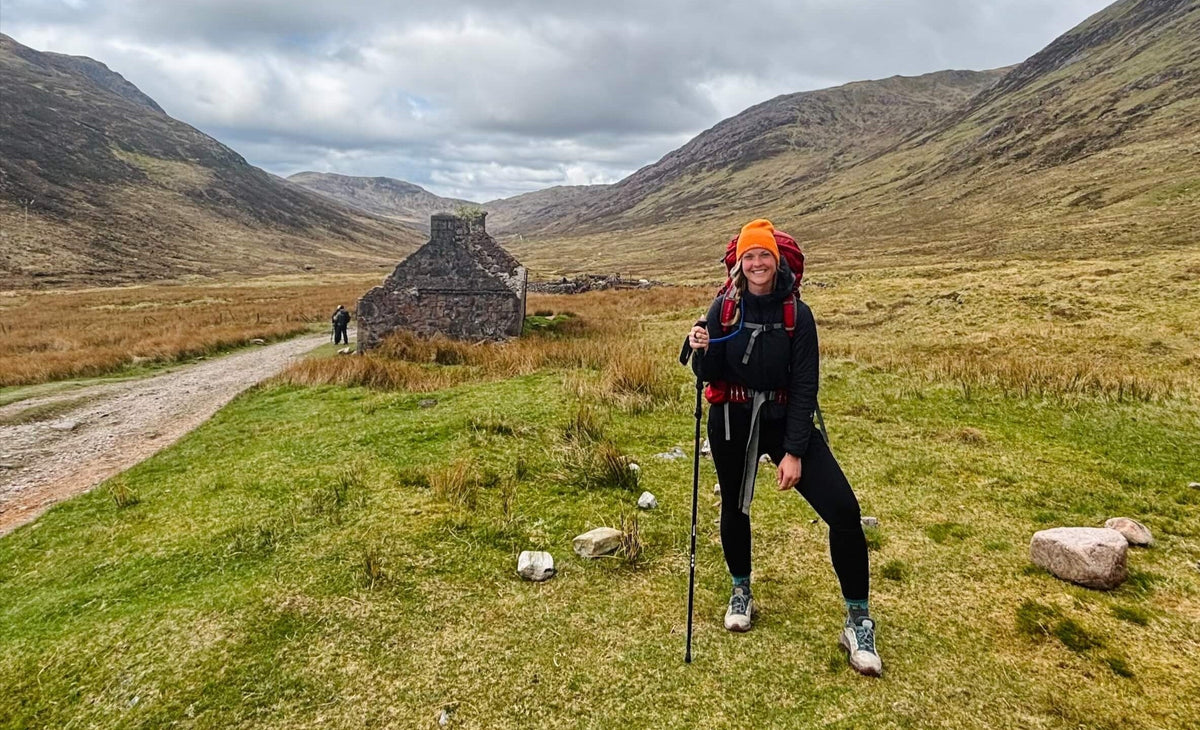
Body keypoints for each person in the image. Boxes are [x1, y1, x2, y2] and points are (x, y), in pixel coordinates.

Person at [687, 218, 881, 677]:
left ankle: (858, 619)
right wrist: (700, 347)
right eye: (749, 256)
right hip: (732, 419)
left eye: (764, 256)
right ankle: (741, 590)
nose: (756, 263)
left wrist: (794, 450)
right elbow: (709, 371)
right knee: (735, 507)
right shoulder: (724, 308)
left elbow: (805, 383)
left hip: (784, 419)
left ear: (777, 261)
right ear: (739, 262)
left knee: (844, 510)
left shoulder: (799, 314)